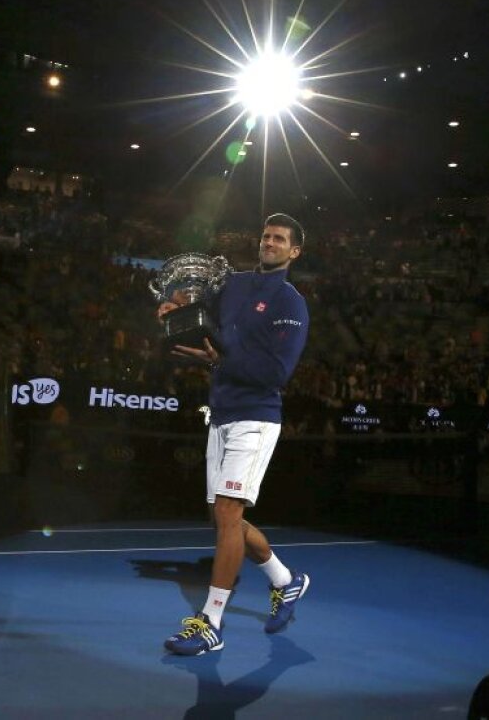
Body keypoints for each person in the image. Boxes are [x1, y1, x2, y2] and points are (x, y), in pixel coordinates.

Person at [158, 214, 311, 656]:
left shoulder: (291, 303)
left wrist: (219, 362)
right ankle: (287, 580)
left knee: (227, 513)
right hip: (221, 413)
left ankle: (211, 623)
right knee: (225, 520)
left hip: (257, 418)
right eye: (265, 235)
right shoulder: (234, 285)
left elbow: (277, 373)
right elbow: (197, 309)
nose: (269, 242)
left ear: (294, 252)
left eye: (280, 239)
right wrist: (174, 306)